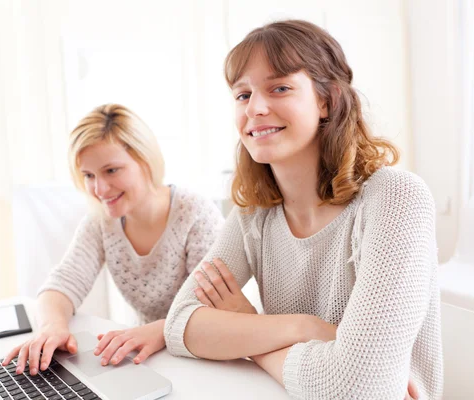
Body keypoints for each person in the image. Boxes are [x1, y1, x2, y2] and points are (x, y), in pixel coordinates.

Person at [163, 20, 443, 399]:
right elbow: (181, 325)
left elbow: (356, 390)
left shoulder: (395, 198)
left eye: (279, 88)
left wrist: (248, 328)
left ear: (325, 101)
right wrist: (306, 328)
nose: (256, 108)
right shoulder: (253, 214)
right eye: (242, 95)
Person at [3, 104, 224, 376]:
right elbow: (62, 284)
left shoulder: (195, 213)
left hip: (204, 355)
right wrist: (52, 327)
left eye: (111, 171)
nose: (99, 189)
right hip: (149, 358)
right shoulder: (101, 221)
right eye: (88, 175)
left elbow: (210, 309)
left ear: (145, 161)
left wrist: (158, 331)